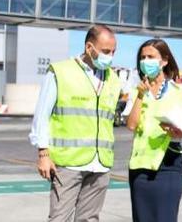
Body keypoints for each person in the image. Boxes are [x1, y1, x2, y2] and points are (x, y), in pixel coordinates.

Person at [29, 24, 123, 222]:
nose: (111, 56)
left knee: (89, 219)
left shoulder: (113, 79)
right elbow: (42, 115)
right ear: (90, 48)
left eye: (114, 52)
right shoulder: (60, 71)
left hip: (101, 163)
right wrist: (43, 153)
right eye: (106, 51)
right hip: (68, 163)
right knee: (59, 218)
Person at [125, 38, 182, 222]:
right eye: (143, 57)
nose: (145, 61)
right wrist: (140, 94)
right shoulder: (137, 91)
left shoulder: (179, 92)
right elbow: (131, 125)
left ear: (164, 60)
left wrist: (179, 132)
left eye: (151, 56)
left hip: (169, 163)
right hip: (141, 164)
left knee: (165, 217)